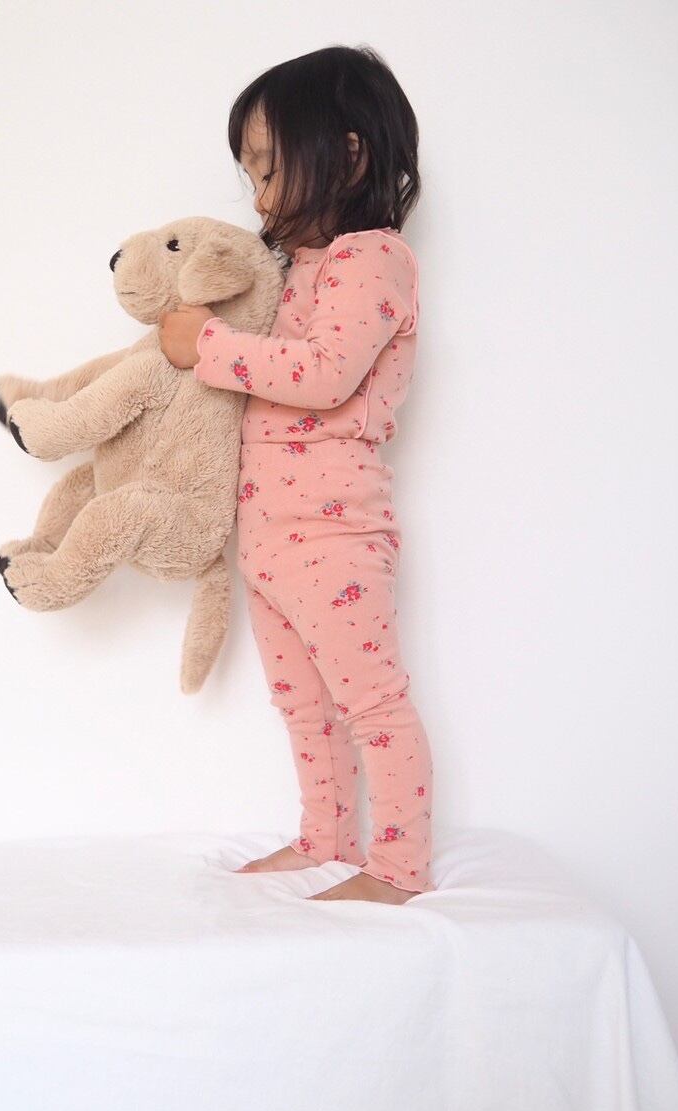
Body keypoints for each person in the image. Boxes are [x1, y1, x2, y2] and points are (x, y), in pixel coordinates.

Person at [159, 45, 434, 904]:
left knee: (371, 703)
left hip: (332, 533)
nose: (259, 196)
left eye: (271, 168)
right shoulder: (305, 268)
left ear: (348, 156)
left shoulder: (372, 259)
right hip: (269, 533)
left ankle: (399, 869)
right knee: (301, 705)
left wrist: (207, 345)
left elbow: (323, 374)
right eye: (250, 174)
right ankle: (325, 836)